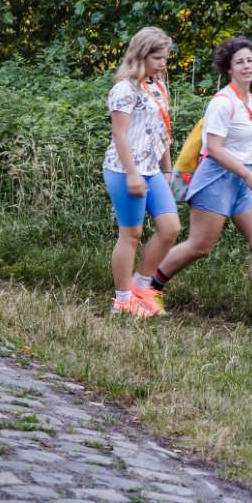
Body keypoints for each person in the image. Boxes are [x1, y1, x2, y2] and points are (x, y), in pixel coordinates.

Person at [149, 36, 252, 326]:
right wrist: (248, 174)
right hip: (217, 178)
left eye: (250, 60)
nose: (247, 66)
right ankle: (149, 289)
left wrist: (249, 173)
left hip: (242, 179)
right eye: (240, 62)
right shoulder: (222, 103)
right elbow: (214, 148)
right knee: (200, 246)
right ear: (228, 68)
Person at [101, 28, 182, 317]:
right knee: (131, 233)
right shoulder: (124, 89)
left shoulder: (157, 85)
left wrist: (168, 168)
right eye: (157, 57)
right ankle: (122, 300)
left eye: (165, 57)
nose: (163, 63)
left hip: (152, 168)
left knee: (171, 227)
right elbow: (120, 135)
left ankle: (140, 286)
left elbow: (162, 130)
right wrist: (133, 175)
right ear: (141, 55)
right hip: (124, 169)